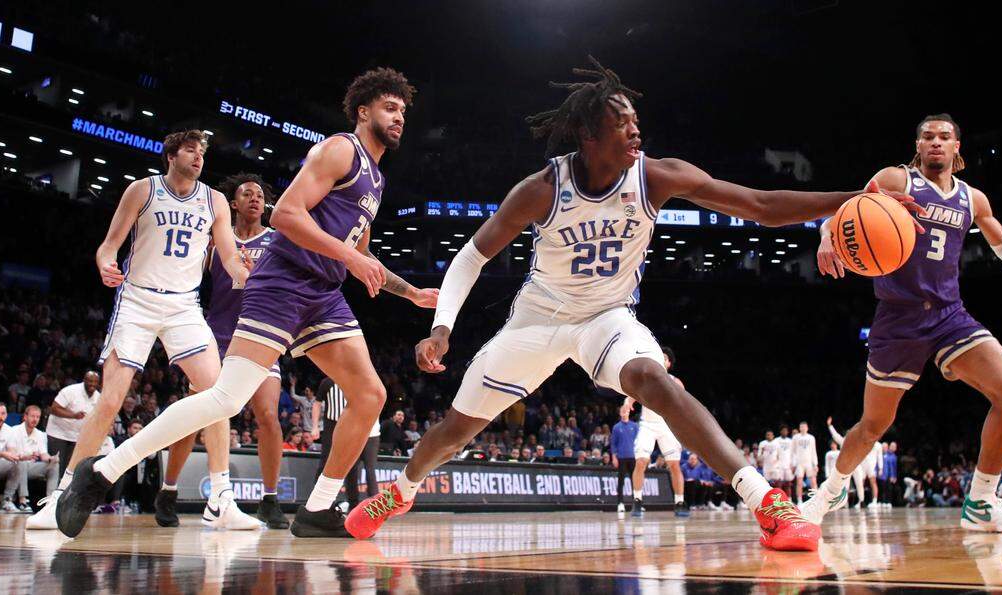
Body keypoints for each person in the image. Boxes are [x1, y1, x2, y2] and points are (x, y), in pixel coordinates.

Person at [349, 58, 920, 551]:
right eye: (621, 123)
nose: (635, 131)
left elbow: (761, 204)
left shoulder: (657, 176)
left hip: (607, 318)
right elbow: (471, 257)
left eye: (635, 121)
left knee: (656, 379)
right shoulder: (543, 189)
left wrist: (858, 198)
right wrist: (443, 328)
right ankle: (399, 492)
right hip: (538, 320)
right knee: (455, 428)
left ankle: (767, 504)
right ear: (589, 138)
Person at [57, 68, 437, 539]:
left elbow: (361, 256)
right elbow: (286, 214)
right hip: (282, 283)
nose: (399, 117)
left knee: (370, 396)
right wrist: (349, 261)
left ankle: (317, 510)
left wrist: (411, 293)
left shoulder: (376, 179)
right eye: (390, 108)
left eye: (403, 111)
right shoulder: (341, 149)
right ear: (364, 111)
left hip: (322, 293)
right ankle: (101, 472)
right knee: (225, 398)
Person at [802, 114, 1002, 534]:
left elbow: (1001, 241)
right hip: (898, 318)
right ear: (917, 146)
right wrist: (827, 235)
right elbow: (846, 213)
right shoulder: (896, 180)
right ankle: (831, 490)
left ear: (958, 147)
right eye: (927, 136)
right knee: (872, 427)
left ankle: (982, 502)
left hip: (949, 315)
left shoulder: (973, 199)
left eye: (944, 137)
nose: (935, 142)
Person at [32, 130, 259, 532]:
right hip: (137, 300)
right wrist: (105, 264)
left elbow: (228, 255)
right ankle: (64, 493)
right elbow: (109, 245)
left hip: (184, 305)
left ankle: (220, 499)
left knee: (218, 394)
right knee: (111, 399)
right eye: (190, 150)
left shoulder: (215, 200)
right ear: (170, 155)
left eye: (202, 152)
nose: (198, 157)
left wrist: (245, 273)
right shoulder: (142, 190)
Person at [203, 172, 288, 529]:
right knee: (202, 416)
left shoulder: (278, 241)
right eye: (246, 194)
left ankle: (270, 500)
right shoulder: (215, 241)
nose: (255, 198)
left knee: (267, 416)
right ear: (233, 203)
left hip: (259, 334)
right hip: (215, 336)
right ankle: (171, 491)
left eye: (259, 194)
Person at [624, 347, 688, 518]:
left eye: (665, 358)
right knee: (641, 462)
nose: (662, 360)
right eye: (660, 357)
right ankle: (637, 500)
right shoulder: (648, 379)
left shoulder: (676, 382)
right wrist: (626, 402)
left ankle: (680, 502)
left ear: (669, 363)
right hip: (647, 425)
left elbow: (684, 405)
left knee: (674, 465)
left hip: (667, 425)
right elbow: (633, 394)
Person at [312, 377, 381, 511]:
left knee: (368, 469)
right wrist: (315, 426)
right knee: (333, 464)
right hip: (333, 426)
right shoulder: (328, 382)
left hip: (362, 430)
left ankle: (374, 506)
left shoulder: (363, 381)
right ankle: (321, 502)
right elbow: (317, 403)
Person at [3, 406, 59, 512]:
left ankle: (50, 502)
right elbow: (12, 453)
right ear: (25, 416)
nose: (35, 419)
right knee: (21, 462)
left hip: (31, 467)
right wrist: (25, 456)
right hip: (16, 465)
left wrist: (51, 459)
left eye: (38, 417)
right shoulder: (14, 431)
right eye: (33, 416)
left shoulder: (40, 434)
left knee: (54, 465)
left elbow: (43, 455)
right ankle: (23, 501)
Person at [45, 371, 101, 477]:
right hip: (58, 433)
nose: (92, 384)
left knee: (70, 469)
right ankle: (51, 491)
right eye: (90, 381)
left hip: (77, 437)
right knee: (56, 468)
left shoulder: (98, 397)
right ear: (84, 380)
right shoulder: (70, 391)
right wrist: (73, 415)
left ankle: (63, 492)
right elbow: (54, 409)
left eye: (95, 382)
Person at [610, 404, 639, 514]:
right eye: (622, 410)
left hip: (633, 457)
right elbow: (613, 444)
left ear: (629, 412)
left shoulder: (634, 426)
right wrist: (614, 457)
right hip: (621, 457)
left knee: (635, 481)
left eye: (626, 410)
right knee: (621, 481)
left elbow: (638, 442)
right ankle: (620, 503)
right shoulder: (616, 427)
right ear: (620, 413)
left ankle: (636, 504)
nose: (624, 412)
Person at [0, 403, 21, 505]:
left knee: (17, 463)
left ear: (6, 415)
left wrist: (18, 456)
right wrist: (2, 454)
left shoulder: (9, 430)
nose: (0, 417)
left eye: (3, 413)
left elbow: (11, 451)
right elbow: (4, 454)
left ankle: (7, 501)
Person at [790, 422, 818, 505]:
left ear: (807, 428)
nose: (803, 428)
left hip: (809, 462)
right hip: (799, 463)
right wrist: (793, 464)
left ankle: (815, 499)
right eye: (801, 427)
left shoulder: (811, 438)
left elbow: (813, 451)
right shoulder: (796, 437)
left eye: (804, 427)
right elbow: (793, 452)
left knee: (813, 481)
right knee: (799, 482)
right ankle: (799, 500)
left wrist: (815, 464)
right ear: (799, 428)